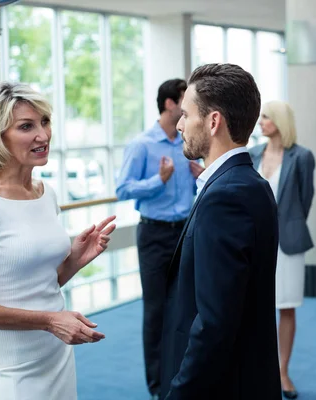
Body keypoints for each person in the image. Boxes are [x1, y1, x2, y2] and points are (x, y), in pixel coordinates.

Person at [0, 81, 116, 400]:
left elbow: (39, 284)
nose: (43, 135)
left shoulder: (44, 193)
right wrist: (50, 321)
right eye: (27, 126)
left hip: (56, 352)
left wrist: (75, 260)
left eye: (45, 122)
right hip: (12, 367)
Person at [160, 63, 282, 400]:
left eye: (186, 115)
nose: (180, 124)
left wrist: (178, 393)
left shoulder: (225, 196)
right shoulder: (251, 183)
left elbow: (214, 322)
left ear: (213, 122)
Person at [116, 78, 204, 400]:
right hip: (154, 234)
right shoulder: (142, 144)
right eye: (185, 100)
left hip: (185, 231)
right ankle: (157, 387)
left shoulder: (186, 142)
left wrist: (200, 176)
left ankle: (179, 378)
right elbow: (123, 188)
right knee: (156, 312)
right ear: (170, 104)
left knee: (184, 307)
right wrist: (158, 180)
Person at [249, 100, 315, 399]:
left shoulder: (302, 157)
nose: (260, 121)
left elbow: (305, 200)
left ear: (279, 121)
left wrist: (286, 224)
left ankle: (282, 371)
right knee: (253, 306)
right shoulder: (253, 155)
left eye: (265, 117)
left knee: (285, 306)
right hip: (254, 242)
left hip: (287, 242)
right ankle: (256, 369)